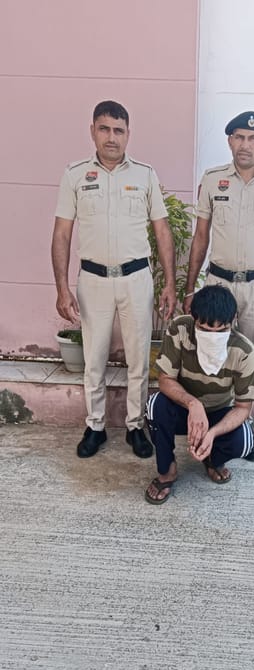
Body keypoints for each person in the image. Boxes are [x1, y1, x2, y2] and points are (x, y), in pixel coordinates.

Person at [51, 100, 176, 459]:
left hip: (137, 278)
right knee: (94, 358)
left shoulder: (145, 175)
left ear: (128, 134)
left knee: (138, 357)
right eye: (104, 129)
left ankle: (136, 427)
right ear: (92, 131)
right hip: (93, 280)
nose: (111, 137)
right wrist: (61, 288)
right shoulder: (75, 175)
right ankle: (95, 426)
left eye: (118, 130)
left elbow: (162, 230)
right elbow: (62, 234)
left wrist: (169, 283)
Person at [183, 110, 254, 462]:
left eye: (253, 138)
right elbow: (200, 238)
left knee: (250, 361)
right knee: (214, 358)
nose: (245, 144)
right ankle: (209, 429)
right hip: (219, 283)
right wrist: (190, 289)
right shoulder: (213, 180)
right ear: (230, 141)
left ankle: (243, 430)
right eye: (239, 137)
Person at [144, 285, 254, 505]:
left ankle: (212, 459)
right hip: (184, 409)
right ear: (193, 318)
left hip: (219, 412)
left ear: (233, 321)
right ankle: (167, 470)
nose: (212, 337)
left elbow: (243, 407)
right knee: (154, 406)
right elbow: (165, 380)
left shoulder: (244, 351)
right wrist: (192, 404)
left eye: (221, 330)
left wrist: (212, 433)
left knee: (244, 441)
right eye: (204, 330)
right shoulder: (180, 329)